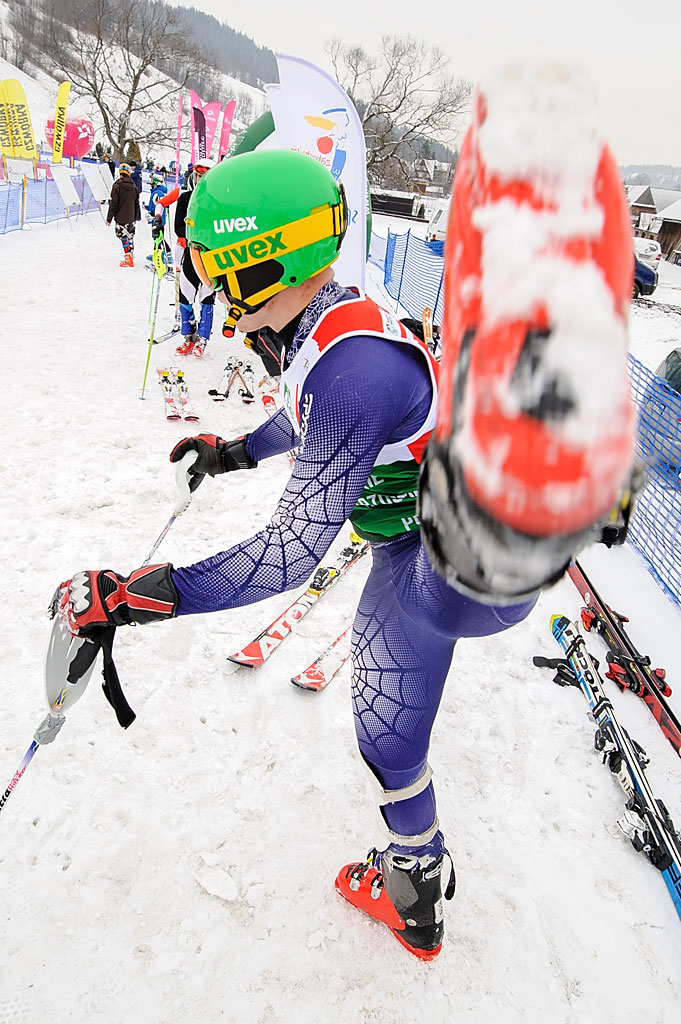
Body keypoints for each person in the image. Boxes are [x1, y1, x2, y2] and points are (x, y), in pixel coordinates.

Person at [55, 66, 635, 961]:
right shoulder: (324, 319)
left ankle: (548, 476)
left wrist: (137, 595)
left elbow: (289, 554)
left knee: (394, 691)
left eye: (214, 267)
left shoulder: (349, 363)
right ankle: (415, 890)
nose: (210, 292)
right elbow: (313, 415)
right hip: (423, 543)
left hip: (446, 561)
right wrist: (233, 450)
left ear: (263, 258)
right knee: (383, 728)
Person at [152, 157, 216, 357]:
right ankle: (188, 336)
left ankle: (203, 339)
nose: (200, 179)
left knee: (207, 298)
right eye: (198, 175)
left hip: (211, 257)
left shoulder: (218, 201)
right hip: (191, 254)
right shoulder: (186, 198)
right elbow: (179, 228)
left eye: (204, 176)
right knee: (185, 295)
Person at [106, 163, 141, 268]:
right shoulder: (134, 187)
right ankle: (131, 254)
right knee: (130, 236)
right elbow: (136, 203)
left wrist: (109, 218)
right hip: (131, 217)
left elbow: (113, 204)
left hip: (120, 217)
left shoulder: (117, 186)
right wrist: (136, 217)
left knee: (123, 237)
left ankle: (128, 258)